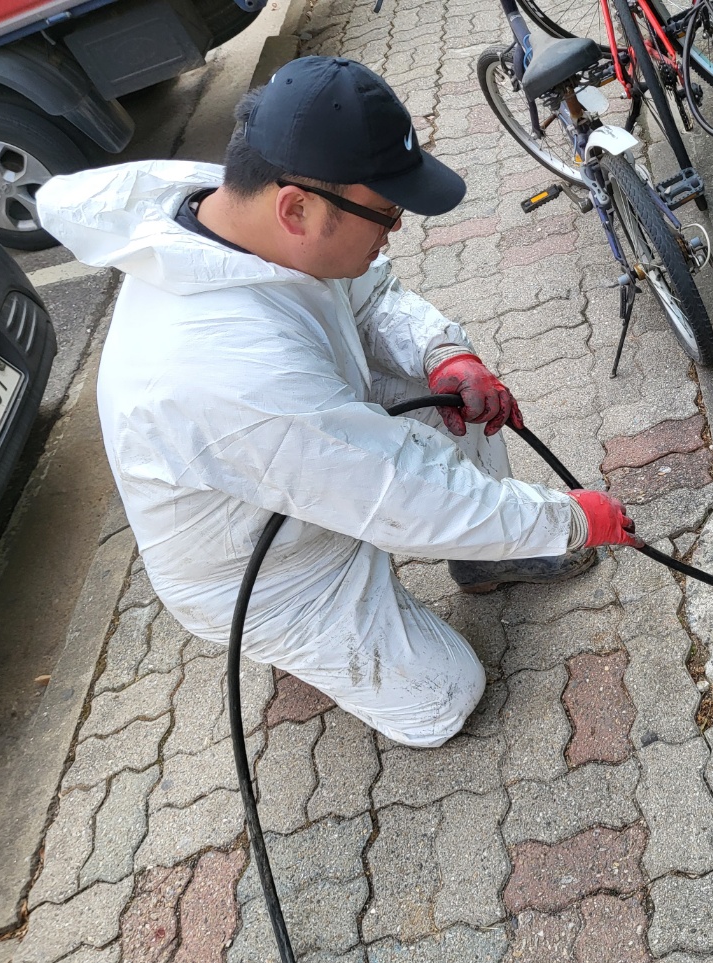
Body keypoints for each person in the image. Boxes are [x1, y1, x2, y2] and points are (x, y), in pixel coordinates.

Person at [36, 56, 639, 748]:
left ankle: (487, 558)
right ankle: (323, 642)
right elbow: (405, 496)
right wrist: (568, 519)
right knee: (446, 699)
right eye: (387, 213)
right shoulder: (223, 371)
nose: (396, 229)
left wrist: (445, 353)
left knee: (451, 393)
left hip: (308, 451)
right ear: (296, 209)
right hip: (271, 570)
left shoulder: (243, 213)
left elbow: (369, 295)